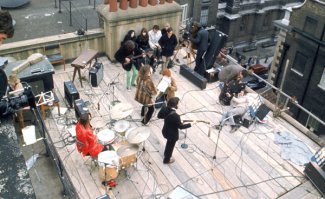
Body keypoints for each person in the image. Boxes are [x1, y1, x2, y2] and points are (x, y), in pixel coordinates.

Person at [157, 97, 193, 164]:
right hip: (172, 135)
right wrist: (191, 124)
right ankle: (166, 160)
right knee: (170, 148)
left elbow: (159, 116)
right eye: (178, 103)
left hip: (165, 131)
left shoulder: (164, 107)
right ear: (175, 105)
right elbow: (181, 127)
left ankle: (165, 154)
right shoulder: (176, 116)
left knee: (168, 144)